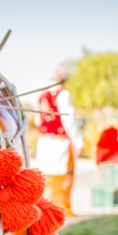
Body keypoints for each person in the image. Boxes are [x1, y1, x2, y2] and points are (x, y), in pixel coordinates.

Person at [35, 67, 84, 217]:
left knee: (46, 174)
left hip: (44, 141)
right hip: (59, 141)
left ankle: (46, 209)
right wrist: (78, 142)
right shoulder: (63, 95)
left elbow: (38, 120)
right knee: (62, 174)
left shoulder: (41, 94)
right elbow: (69, 119)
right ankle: (61, 209)